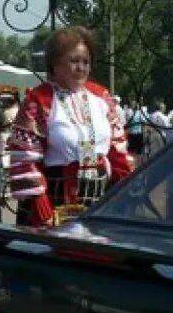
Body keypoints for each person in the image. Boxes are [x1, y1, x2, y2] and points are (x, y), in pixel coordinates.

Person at [7, 26, 132, 227]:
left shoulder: (101, 96)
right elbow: (24, 154)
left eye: (86, 62)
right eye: (74, 61)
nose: (81, 68)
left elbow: (118, 147)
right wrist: (39, 200)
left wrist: (124, 188)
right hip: (55, 195)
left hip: (100, 194)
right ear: (55, 64)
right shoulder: (39, 99)